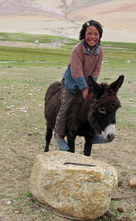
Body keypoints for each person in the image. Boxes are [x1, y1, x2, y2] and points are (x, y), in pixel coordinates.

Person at [54, 20, 106, 151]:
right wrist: (83, 88)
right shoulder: (77, 50)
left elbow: (96, 70)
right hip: (72, 84)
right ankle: (59, 135)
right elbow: (76, 71)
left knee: (94, 107)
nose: (92, 37)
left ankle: (94, 135)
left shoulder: (100, 51)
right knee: (64, 107)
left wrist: (92, 87)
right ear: (83, 34)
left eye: (96, 34)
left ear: (100, 35)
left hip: (88, 84)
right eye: (89, 33)